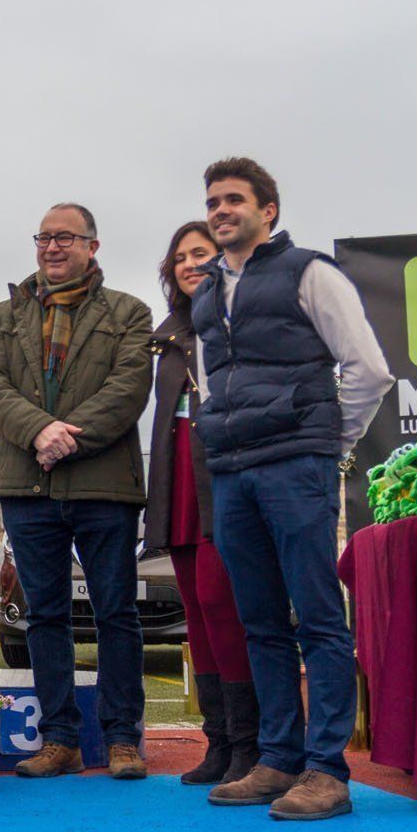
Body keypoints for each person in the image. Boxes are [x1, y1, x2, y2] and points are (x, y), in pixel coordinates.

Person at [191, 157, 393, 820]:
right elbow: (211, 384)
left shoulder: (309, 272)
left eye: (234, 200)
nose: (221, 210)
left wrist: (328, 446)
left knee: (318, 617)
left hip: (296, 468)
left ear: (267, 210)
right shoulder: (205, 293)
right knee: (260, 623)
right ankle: (277, 759)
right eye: (213, 201)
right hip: (233, 472)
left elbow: (368, 369)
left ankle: (327, 772)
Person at [0, 203, 153, 780]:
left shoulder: (130, 312)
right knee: (44, 615)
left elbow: (130, 388)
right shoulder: (6, 313)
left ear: (92, 247)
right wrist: (38, 430)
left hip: (103, 484)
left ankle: (124, 739)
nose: (52, 247)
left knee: (115, 613)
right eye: (44, 237)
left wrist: (65, 437)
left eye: (66, 238)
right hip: (26, 483)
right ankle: (59, 740)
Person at [144, 221, 259, 786]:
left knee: (221, 601)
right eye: (181, 257)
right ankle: (219, 743)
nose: (190, 263)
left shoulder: (242, 319)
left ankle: (250, 744)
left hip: (225, 474)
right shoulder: (166, 336)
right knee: (195, 610)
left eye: (202, 254)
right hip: (179, 477)